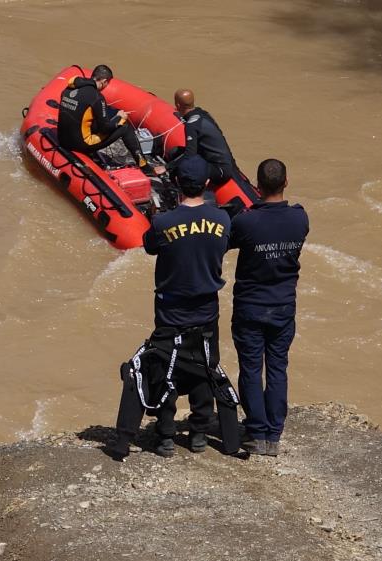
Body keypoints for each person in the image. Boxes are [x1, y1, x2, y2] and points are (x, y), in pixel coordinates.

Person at [108, 155, 244, 461]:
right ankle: (197, 434)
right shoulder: (222, 220)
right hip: (206, 309)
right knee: (203, 368)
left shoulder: (163, 222)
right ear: (208, 184)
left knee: (164, 368)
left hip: (171, 311)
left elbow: (150, 246)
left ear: (176, 184)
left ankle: (166, 435)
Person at [229, 159, 309, 457]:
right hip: (283, 306)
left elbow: (227, 242)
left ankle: (256, 431)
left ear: (257, 187)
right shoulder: (300, 219)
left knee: (251, 368)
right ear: (286, 182)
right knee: (277, 368)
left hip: (250, 307)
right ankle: (273, 435)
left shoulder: (246, 222)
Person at [57, 64, 165, 176]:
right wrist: (119, 117)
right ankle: (145, 167)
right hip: (80, 144)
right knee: (125, 126)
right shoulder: (97, 97)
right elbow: (105, 129)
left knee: (90, 118)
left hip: (62, 139)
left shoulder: (70, 87)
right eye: (107, 83)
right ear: (104, 81)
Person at [167, 89, 260, 212]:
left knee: (184, 169)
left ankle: (181, 201)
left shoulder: (191, 125)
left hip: (220, 170)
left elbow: (190, 156)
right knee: (176, 152)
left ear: (177, 105)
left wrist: (168, 167)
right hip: (223, 162)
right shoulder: (203, 113)